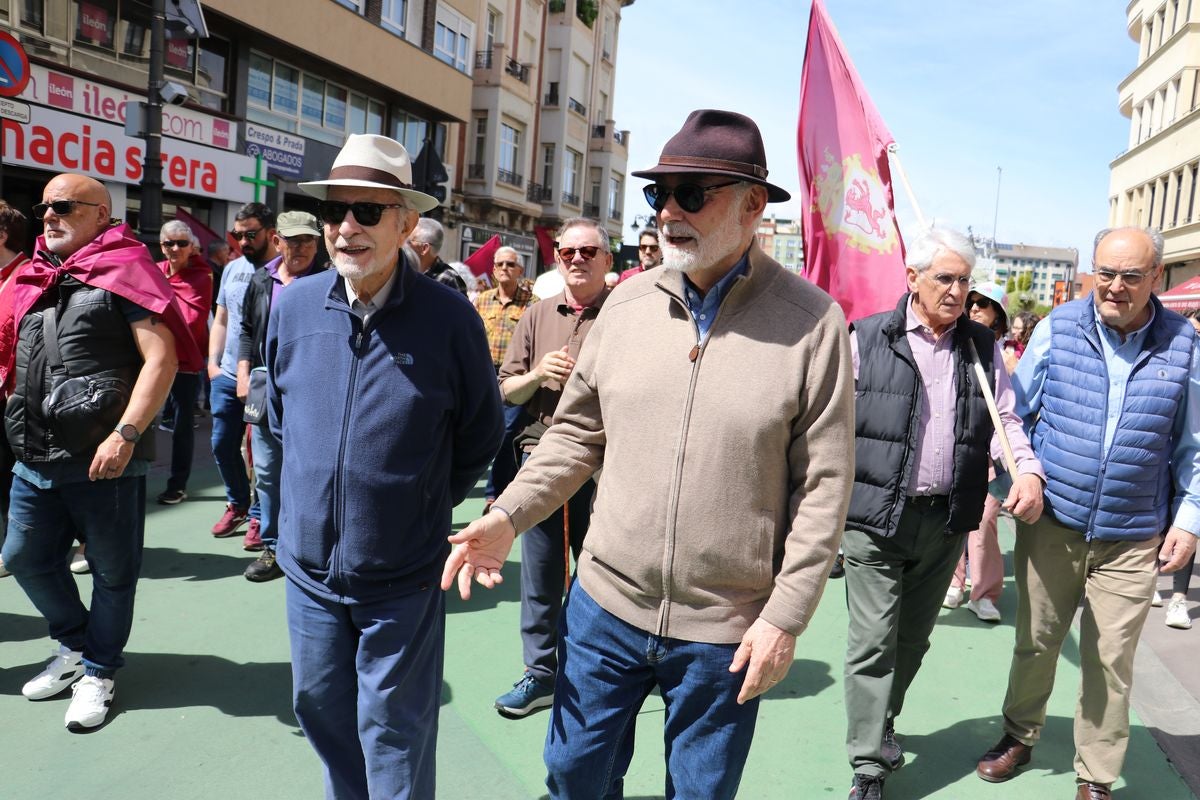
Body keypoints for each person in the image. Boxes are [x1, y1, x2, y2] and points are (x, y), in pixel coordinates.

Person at [444, 109, 855, 798]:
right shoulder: (625, 306)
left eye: (692, 193)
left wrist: (784, 616)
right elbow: (575, 435)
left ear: (754, 204)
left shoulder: (814, 323)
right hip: (603, 607)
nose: (668, 211)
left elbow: (824, 487)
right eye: (658, 194)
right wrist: (508, 515)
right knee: (574, 778)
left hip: (726, 632)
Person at [271, 134, 502, 799]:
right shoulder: (291, 307)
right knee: (320, 713)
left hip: (403, 576)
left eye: (368, 213)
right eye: (336, 212)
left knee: (395, 733)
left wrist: (420, 504)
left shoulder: (451, 319)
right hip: (308, 574)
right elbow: (284, 426)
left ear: (405, 224)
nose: (347, 228)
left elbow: (479, 434)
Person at [976, 227, 1200, 800]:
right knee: (1036, 641)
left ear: (1157, 278)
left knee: (1110, 660)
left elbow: (1193, 447)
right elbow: (1013, 416)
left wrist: (1189, 519)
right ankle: (1019, 734)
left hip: (1132, 537)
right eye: (1106, 273)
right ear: (1092, 272)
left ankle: (1096, 776)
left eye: (1131, 276)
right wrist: (1013, 478)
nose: (1115, 287)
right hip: (1053, 521)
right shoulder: (1058, 327)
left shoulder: (1185, 345)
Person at [841, 229, 1045, 800]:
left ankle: (880, 721)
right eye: (945, 279)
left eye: (965, 281)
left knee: (911, 641)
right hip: (876, 517)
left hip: (948, 518)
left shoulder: (983, 349)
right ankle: (867, 768)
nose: (957, 291)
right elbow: (827, 423)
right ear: (913, 279)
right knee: (872, 642)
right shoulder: (865, 338)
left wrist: (1026, 470)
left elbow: (1007, 423)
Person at [0, 173, 200, 730]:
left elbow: (159, 359)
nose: (48, 216)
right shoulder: (35, 275)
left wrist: (127, 433)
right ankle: (76, 644)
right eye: (43, 207)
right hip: (33, 452)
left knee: (113, 572)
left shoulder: (125, 269)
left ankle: (99, 669)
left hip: (103, 458)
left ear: (102, 213)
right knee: (23, 557)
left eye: (63, 206)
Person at [491, 219, 611, 718]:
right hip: (539, 459)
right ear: (557, 258)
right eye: (567, 252)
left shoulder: (626, 315)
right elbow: (506, 389)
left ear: (607, 261)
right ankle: (540, 674)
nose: (577, 259)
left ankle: (600, 671)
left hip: (608, 465)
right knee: (540, 576)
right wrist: (538, 373)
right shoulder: (538, 315)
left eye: (588, 251)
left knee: (604, 574)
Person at [236, 211, 328, 580]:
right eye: (293, 240)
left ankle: (310, 547)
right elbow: (246, 329)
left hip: (314, 396)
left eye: (308, 240)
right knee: (268, 472)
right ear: (277, 242)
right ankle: (273, 547)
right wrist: (242, 374)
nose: (300, 248)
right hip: (265, 389)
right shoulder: (262, 279)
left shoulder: (329, 282)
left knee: (311, 473)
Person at [208, 203, 276, 542]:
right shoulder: (233, 269)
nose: (243, 241)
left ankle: (259, 514)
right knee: (222, 444)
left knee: (260, 452)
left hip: (263, 378)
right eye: (237, 235)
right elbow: (221, 318)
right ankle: (236, 503)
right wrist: (212, 362)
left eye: (251, 234)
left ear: (270, 232)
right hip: (227, 374)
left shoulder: (282, 270)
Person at [943, 281, 1011, 623]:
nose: (974, 308)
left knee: (984, 521)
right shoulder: (952, 342)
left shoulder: (999, 351)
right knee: (955, 517)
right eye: (971, 302)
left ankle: (984, 592)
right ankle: (954, 583)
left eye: (983, 303)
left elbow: (1010, 410)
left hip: (994, 454)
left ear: (998, 313)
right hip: (957, 449)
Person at [155, 220, 213, 505]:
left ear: (192, 247)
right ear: (161, 245)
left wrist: (157, 319)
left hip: (185, 361)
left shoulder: (203, 275)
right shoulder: (154, 272)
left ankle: (177, 485)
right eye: (169, 243)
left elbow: (191, 321)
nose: (175, 248)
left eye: (181, 243)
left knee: (181, 425)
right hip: (151, 358)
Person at [472, 245, 534, 511]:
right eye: (500, 265)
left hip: (515, 377)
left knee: (506, 432)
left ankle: (493, 494)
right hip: (485, 375)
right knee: (483, 431)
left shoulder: (533, 303)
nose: (505, 269)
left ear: (520, 270)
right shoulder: (482, 300)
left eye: (511, 265)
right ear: (493, 270)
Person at [408, 217, 468, 295]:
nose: (403, 245)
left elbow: (460, 307)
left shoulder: (448, 280)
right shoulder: (404, 272)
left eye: (409, 241)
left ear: (424, 248)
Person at [1002, 309, 1039, 374]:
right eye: (1013, 327)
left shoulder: (1037, 353)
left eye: (1018, 328)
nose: (1013, 331)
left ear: (1028, 330)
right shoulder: (1009, 348)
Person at [206, 239, 231, 314]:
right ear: (219, 252)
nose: (228, 256)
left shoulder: (221, 270)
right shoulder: (207, 271)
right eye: (226, 251)